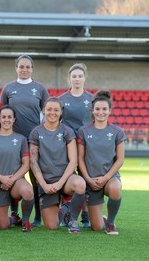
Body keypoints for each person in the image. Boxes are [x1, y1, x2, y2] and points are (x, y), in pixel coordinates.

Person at [0, 54, 49, 227]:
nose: (24, 70)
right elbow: (2, 113)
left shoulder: (40, 89)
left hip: (34, 140)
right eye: (21, 66)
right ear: (16, 68)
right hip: (14, 140)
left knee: (35, 177)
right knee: (12, 175)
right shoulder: (8, 88)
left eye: (28, 67)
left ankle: (37, 215)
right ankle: (15, 213)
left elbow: (47, 115)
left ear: (32, 69)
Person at [29, 97, 86, 233]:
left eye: (56, 110)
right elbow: (33, 161)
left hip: (65, 180)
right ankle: (66, 207)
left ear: (61, 112)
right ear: (43, 111)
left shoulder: (67, 131)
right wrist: (44, 185)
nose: (52, 113)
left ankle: (72, 220)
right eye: (49, 109)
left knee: (80, 184)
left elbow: (73, 161)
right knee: (52, 226)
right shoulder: (36, 132)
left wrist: (60, 184)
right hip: (47, 182)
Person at [77, 90, 125, 235]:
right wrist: (88, 179)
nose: (101, 112)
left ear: (110, 111)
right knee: (97, 227)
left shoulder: (118, 131)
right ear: (92, 110)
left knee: (116, 188)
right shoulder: (83, 131)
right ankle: (102, 220)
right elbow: (80, 159)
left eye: (104, 109)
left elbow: (120, 159)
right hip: (91, 181)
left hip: (109, 178)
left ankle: (110, 222)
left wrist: (105, 178)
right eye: (97, 109)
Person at [0, 105, 34, 232]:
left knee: (28, 191)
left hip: (16, 182)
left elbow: (26, 164)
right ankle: (14, 219)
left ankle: (26, 222)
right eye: (3, 117)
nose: (6, 120)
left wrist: (11, 180)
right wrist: (2, 179)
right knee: (2, 225)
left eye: (9, 117)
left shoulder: (20, 139)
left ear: (14, 119)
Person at [58, 63, 93, 228]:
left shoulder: (92, 99)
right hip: (66, 145)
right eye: (74, 76)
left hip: (86, 145)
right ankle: (66, 213)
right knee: (66, 178)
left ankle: (85, 216)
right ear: (69, 78)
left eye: (80, 76)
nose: (77, 79)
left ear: (85, 78)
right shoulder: (61, 100)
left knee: (85, 179)